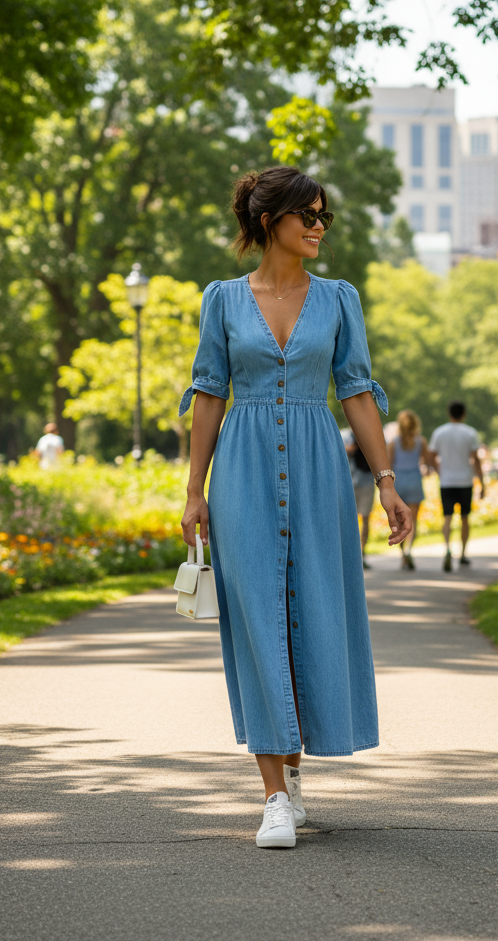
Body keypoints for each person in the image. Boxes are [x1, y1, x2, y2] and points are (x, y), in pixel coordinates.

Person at [179, 166, 412, 850]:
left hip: (318, 472)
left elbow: (359, 393)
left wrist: (389, 481)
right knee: (257, 621)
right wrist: (195, 489)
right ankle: (273, 795)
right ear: (268, 220)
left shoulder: (339, 299)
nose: (317, 227)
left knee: (308, 612)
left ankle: (296, 765)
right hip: (243, 472)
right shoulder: (222, 300)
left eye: (323, 217)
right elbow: (210, 392)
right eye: (306, 215)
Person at [427, 400, 485, 572]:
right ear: (464, 414)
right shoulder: (470, 433)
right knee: (465, 518)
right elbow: (476, 460)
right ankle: (463, 554)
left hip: (447, 481)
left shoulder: (440, 432)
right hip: (465, 481)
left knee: (447, 517)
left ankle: (447, 549)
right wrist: (482, 482)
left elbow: (430, 456)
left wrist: (439, 471)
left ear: (449, 413)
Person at [388, 409, 431, 570]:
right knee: (412, 520)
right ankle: (408, 550)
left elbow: (389, 465)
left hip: (398, 482)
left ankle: (402, 553)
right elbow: (427, 462)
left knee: (400, 521)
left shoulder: (393, 443)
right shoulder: (421, 441)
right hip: (414, 480)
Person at [344, 431, 375, 569]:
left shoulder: (371, 435)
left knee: (365, 519)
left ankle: (362, 554)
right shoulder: (346, 436)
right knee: (350, 521)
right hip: (350, 483)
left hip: (365, 483)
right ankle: (351, 555)